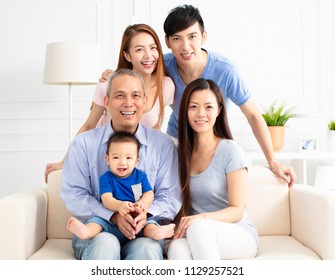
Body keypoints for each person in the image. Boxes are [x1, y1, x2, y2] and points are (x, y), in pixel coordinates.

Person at [163, 4, 297, 187]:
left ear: (203, 37)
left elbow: (252, 114)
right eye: (177, 38)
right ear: (167, 42)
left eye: (192, 36)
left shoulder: (224, 70)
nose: (185, 46)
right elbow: (132, 73)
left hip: (212, 140)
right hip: (178, 138)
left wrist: (273, 161)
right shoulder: (162, 65)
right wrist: (111, 76)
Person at [61, 69, 181, 260]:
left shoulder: (164, 145)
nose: (128, 103)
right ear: (107, 102)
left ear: (144, 101)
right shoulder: (83, 144)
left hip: (144, 230)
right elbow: (74, 194)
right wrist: (113, 216)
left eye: (135, 95)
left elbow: (170, 196)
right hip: (99, 231)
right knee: (106, 243)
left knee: (146, 250)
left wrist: (145, 215)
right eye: (119, 95)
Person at [45, 23, 174, 182]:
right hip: (105, 157)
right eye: (139, 49)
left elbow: (154, 128)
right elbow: (89, 125)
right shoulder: (107, 85)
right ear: (127, 56)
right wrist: (65, 161)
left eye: (153, 48)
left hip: (135, 159)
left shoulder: (166, 86)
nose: (148, 55)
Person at [167, 78, 258, 260]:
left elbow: (237, 210)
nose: (201, 113)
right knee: (176, 248)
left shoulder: (231, 150)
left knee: (198, 229)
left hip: (237, 233)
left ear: (219, 110)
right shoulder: (179, 153)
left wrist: (201, 219)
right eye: (193, 107)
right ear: (184, 111)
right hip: (198, 232)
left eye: (208, 107)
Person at [67, 131, 175, 243]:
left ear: (136, 161)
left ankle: (156, 233)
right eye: (116, 157)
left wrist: (143, 204)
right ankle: (87, 231)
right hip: (112, 221)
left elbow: (149, 193)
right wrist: (119, 206)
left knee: (149, 224)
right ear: (107, 159)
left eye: (128, 158)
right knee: (97, 221)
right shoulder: (106, 178)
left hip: (137, 220)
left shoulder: (141, 176)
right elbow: (106, 199)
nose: (122, 162)